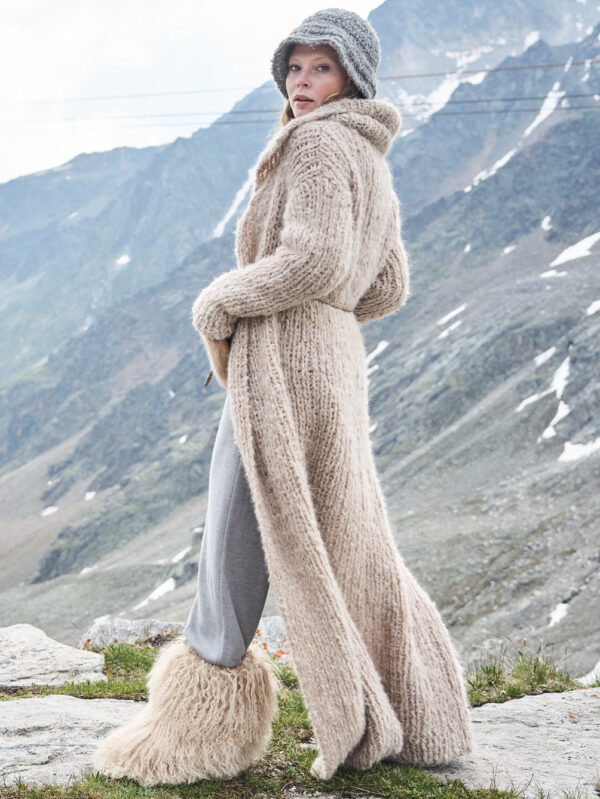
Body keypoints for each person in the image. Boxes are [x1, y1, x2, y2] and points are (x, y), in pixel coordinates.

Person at [93, 7, 474, 788]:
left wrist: (221, 300)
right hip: (332, 361)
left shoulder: (318, 144)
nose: (302, 82)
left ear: (351, 78)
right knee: (347, 534)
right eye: (294, 68)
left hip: (282, 361)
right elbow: (386, 283)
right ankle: (417, 705)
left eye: (320, 68)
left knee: (238, 518)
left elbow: (314, 258)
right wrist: (328, 317)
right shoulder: (368, 152)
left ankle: (198, 727)